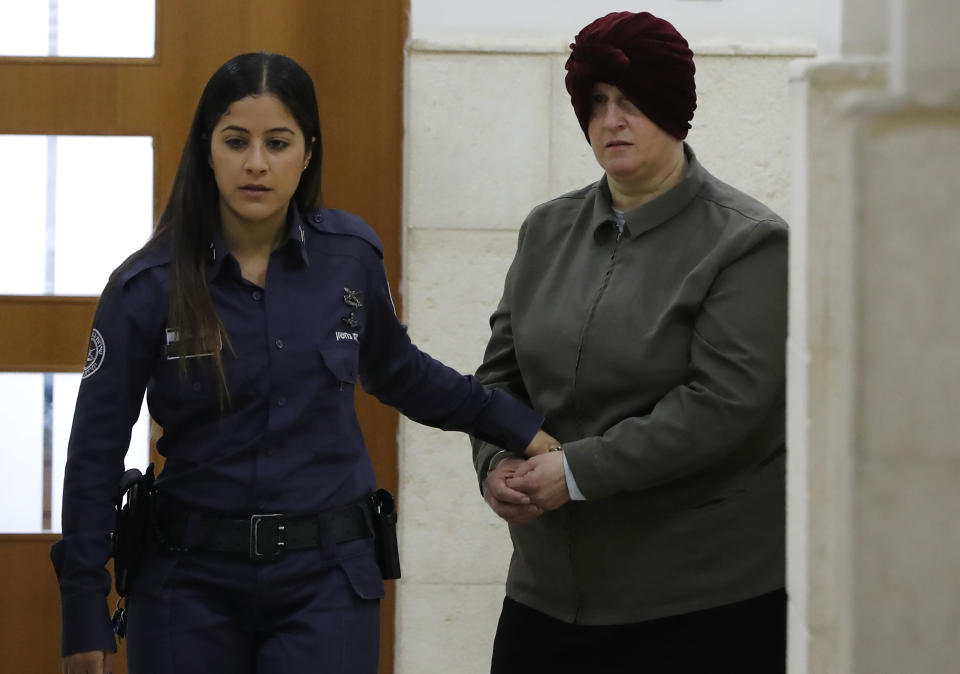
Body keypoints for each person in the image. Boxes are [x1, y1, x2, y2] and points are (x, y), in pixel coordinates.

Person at [51, 52, 557, 674]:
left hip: (327, 583)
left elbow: (401, 373)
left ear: (308, 152)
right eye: (236, 141)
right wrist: (83, 606)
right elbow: (94, 450)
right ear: (207, 150)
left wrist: (518, 428)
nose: (256, 163)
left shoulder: (350, 258)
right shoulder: (144, 286)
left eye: (278, 142)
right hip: (187, 584)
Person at [471, 11, 788, 674]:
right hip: (548, 598)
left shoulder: (749, 242)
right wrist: (497, 463)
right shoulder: (547, 230)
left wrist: (578, 472)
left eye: (632, 101)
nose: (612, 120)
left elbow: (724, 406)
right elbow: (499, 378)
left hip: (700, 604)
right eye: (598, 102)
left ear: (676, 109)